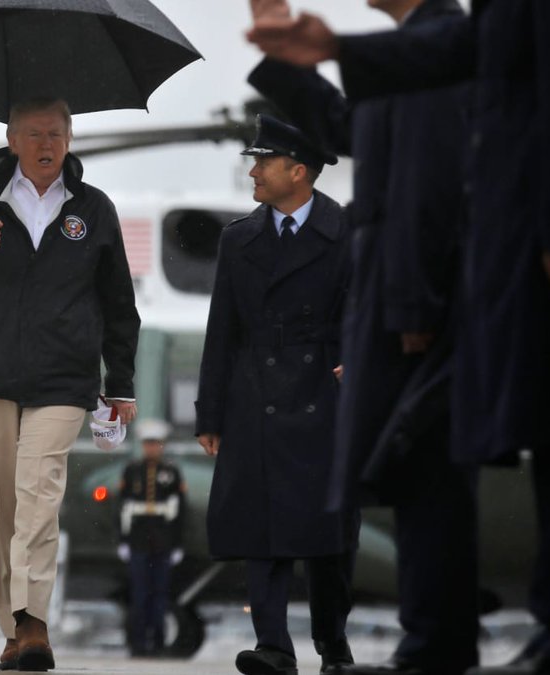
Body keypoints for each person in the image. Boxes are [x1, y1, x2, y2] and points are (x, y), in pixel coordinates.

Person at [246, 7, 550, 673]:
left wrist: (415, 300)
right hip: (404, 289)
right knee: (418, 470)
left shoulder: (439, 50)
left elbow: (429, 182)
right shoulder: (420, 50)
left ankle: (437, 640)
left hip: (420, 298)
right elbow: (348, 129)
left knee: (426, 467)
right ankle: (433, 639)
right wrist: (288, 63)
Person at [0, 97, 140, 672]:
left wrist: (120, 383)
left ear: (69, 140)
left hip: (64, 379)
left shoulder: (93, 209)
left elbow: (119, 302)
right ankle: (12, 627)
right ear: (12, 140)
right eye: (35, 134)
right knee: (2, 509)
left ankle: (34, 622)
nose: (47, 145)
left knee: (38, 495)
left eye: (56, 134)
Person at [196, 114, 356, 675]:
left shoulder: (347, 234)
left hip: (326, 397)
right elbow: (222, 330)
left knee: (329, 534)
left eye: (264, 161)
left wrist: (357, 365)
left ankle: (333, 646)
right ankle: (273, 646)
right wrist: (210, 413)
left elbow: (366, 311)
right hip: (254, 399)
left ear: (299, 171)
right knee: (260, 529)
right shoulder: (238, 239)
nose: (254, 171)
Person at [117, 418, 186, 657]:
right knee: (139, 594)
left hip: (163, 540)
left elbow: (179, 511)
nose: (151, 448)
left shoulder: (171, 472)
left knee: (159, 595)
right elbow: (123, 508)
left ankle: (157, 643)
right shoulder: (132, 470)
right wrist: (123, 540)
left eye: (155, 443)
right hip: (138, 540)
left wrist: (177, 543)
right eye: (148, 443)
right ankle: (137, 643)